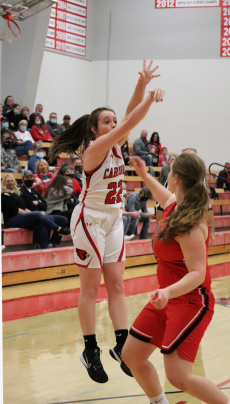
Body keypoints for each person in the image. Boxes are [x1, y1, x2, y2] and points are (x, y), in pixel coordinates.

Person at [48, 59, 163, 383]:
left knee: (116, 285)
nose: (114, 124)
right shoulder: (94, 150)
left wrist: (141, 83)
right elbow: (129, 121)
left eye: (114, 120)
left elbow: (126, 117)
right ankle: (90, 349)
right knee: (90, 289)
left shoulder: (116, 144)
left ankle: (121, 345)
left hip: (112, 219)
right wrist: (149, 98)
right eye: (107, 121)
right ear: (95, 130)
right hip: (89, 220)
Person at [122, 154, 229, 404]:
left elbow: (197, 274)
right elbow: (163, 195)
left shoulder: (191, 224)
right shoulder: (174, 205)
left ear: (176, 178)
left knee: (179, 377)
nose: (166, 177)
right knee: (132, 355)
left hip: (191, 301)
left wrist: (168, 292)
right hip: (167, 297)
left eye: (168, 173)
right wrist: (145, 176)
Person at [2, 174, 70, 249]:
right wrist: (26, 212)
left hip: (22, 216)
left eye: (12, 180)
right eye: (8, 181)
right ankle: (58, 229)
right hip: (12, 220)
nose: (10, 182)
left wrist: (29, 209)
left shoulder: (18, 194)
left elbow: (35, 205)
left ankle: (46, 247)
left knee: (61, 219)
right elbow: (14, 209)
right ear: (4, 183)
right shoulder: (4, 194)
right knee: (37, 214)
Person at [20, 170, 69, 246]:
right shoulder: (21, 192)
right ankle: (44, 247)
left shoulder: (35, 192)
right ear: (23, 180)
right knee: (44, 222)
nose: (30, 179)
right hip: (30, 216)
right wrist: (38, 203)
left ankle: (54, 243)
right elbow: (30, 205)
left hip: (41, 215)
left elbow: (44, 206)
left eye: (31, 177)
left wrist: (38, 203)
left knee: (63, 220)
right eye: (27, 178)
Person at [156, 154, 177, 223]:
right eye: (172, 159)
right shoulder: (166, 167)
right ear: (168, 160)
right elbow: (167, 178)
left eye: (175, 160)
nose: (174, 161)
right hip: (164, 189)